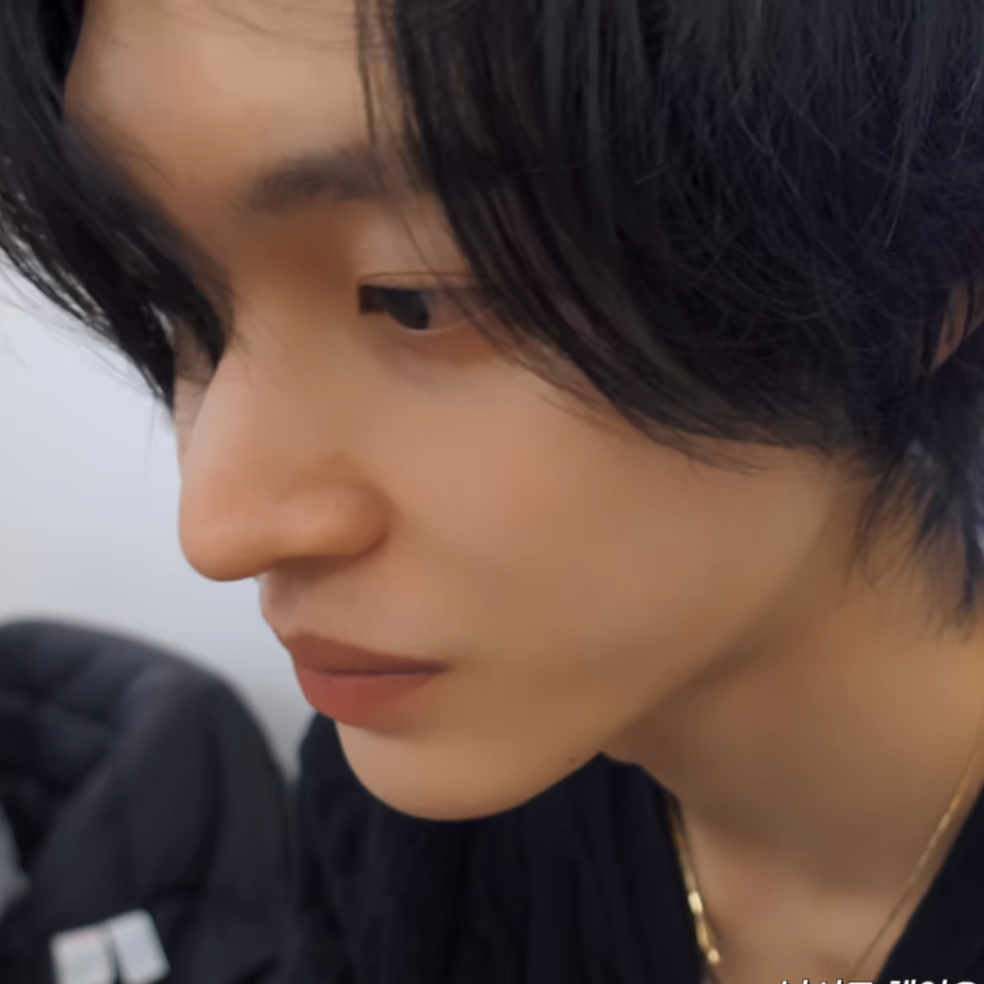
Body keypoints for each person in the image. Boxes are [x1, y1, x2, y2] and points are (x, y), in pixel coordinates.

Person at [3, 0, 984, 981]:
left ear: (927, 285)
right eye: (179, 303)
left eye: (415, 297)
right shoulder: (397, 823)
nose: (218, 528)